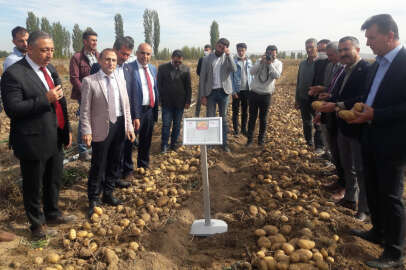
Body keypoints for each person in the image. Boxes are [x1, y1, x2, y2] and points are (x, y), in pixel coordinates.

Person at [1, 31, 74, 240]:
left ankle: (52, 213)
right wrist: (45, 99)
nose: (49, 54)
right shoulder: (14, 74)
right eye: (44, 50)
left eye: (51, 49)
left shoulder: (49, 69)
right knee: (33, 185)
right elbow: (13, 109)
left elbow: (61, 102)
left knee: (53, 179)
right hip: (32, 140)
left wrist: (66, 128)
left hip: (55, 135)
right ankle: (36, 226)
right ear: (30, 49)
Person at [348, 14, 406, 268]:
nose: (368, 42)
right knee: (372, 186)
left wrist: (377, 114)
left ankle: (394, 252)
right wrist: (357, 110)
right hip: (370, 135)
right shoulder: (376, 64)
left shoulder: (404, 63)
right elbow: (368, 95)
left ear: (389, 36)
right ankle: (378, 231)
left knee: (391, 196)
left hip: (394, 142)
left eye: (372, 37)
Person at [315, 36, 370, 222]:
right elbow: (337, 94)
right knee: (347, 165)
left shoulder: (365, 70)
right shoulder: (344, 70)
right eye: (341, 50)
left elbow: (364, 97)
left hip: (357, 127)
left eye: (347, 49)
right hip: (342, 125)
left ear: (357, 48)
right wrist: (328, 100)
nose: (343, 53)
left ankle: (364, 208)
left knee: (360, 169)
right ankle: (349, 199)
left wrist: (336, 104)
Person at [80, 48, 135, 217]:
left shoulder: (120, 78)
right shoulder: (90, 81)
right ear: (100, 61)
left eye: (113, 60)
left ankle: (109, 193)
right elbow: (85, 110)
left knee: (115, 161)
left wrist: (129, 127)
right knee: (99, 164)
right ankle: (94, 198)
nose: (110, 63)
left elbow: (126, 105)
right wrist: (86, 130)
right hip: (101, 128)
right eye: (106, 60)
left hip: (119, 125)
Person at [89, 36, 136, 183]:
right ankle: (100, 184)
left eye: (128, 55)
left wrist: (132, 118)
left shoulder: (128, 69)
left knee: (118, 152)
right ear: (115, 49)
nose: (125, 58)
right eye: (123, 54)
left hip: (121, 118)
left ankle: (113, 180)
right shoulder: (98, 68)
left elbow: (130, 95)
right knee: (102, 156)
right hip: (104, 119)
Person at [310, 42, 346, 198]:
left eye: (331, 55)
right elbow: (332, 88)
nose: (329, 58)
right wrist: (326, 93)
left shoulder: (346, 68)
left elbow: (342, 93)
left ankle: (348, 192)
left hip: (340, 114)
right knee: (336, 149)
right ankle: (340, 181)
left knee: (346, 157)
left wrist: (331, 98)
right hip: (330, 110)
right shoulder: (334, 66)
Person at [199, 38, 237, 152]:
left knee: (223, 118)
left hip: (224, 92)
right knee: (210, 118)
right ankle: (210, 143)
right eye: (220, 46)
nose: (221, 49)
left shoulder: (228, 58)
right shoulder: (206, 59)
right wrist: (202, 96)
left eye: (224, 47)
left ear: (226, 48)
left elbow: (234, 69)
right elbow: (202, 78)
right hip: (210, 93)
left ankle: (224, 143)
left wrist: (229, 55)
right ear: (216, 45)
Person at [69, 29, 99, 161]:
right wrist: (86, 93)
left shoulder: (99, 55)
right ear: (85, 41)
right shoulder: (77, 57)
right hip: (84, 96)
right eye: (92, 40)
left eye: (96, 40)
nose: (95, 43)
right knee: (84, 121)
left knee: (96, 119)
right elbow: (74, 78)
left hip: (98, 94)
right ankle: (82, 150)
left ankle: (93, 145)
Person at [128, 43, 159, 168]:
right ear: (137, 53)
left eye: (148, 54)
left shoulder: (153, 68)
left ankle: (143, 164)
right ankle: (127, 168)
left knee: (146, 140)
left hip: (149, 110)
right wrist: (134, 114)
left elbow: (154, 88)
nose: (145, 56)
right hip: (135, 112)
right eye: (142, 53)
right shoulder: (129, 68)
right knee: (129, 142)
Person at [246, 45, 282, 146]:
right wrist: (261, 62)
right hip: (254, 93)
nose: (271, 57)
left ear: (276, 54)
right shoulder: (259, 60)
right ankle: (249, 140)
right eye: (269, 54)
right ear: (266, 53)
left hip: (266, 94)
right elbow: (252, 72)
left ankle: (260, 140)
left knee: (263, 118)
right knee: (252, 117)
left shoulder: (278, 63)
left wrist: (270, 64)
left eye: (273, 55)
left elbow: (277, 76)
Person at [157, 50, 191, 153]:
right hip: (166, 103)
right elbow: (158, 85)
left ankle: (174, 144)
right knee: (166, 124)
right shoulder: (163, 68)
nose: (177, 64)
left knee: (177, 125)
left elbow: (188, 87)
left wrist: (188, 101)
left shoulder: (185, 69)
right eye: (176, 62)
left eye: (179, 62)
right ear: (172, 58)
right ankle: (164, 145)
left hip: (180, 103)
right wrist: (158, 99)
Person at [295, 38, 324, 152]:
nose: (309, 49)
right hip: (303, 98)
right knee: (306, 122)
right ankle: (308, 142)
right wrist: (297, 99)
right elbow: (299, 81)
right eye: (307, 47)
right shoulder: (302, 63)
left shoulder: (321, 63)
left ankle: (319, 147)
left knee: (318, 124)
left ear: (316, 47)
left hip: (316, 99)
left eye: (311, 47)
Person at [231, 43, 252, 136]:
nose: (240, 52)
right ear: (237, 51)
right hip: (237, 90)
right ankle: (236, 130)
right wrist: (233, 91)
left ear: (245, 50)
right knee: (235, 111)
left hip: (247, 90)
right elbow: (230, 77)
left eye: (242, 50)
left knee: (245, 110)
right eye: (239, 50)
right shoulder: (233, 62)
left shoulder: (250, 62)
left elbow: (252, 76)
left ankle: (243, 129)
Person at [195, 44, 212, 117]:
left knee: (210, 100)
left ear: (210, 51)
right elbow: (198, 71)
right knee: (199, 99)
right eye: (205, 50)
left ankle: (209, 116)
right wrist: (203, 76)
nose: (206, 51)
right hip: (202, 82)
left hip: (210, 83)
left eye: (207, 50)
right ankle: (196, 115)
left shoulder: (213, 58)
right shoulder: (201, 59)